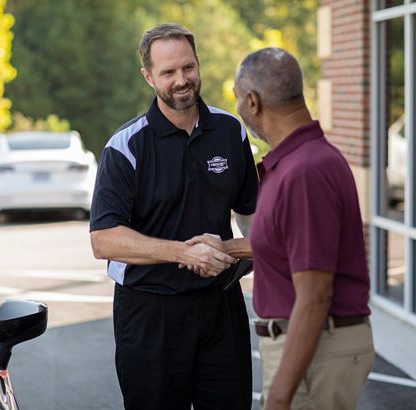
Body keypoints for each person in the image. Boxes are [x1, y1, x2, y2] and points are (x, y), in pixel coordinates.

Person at [189, 48, 374, 410]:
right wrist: (225, 248)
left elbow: (315, 294)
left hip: (315, 351)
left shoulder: (305, 173)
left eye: (239, 101)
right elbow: (288, 246)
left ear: (252, 101)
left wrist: (278, 397)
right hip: (312, 348)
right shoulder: (302, 161)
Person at [89, 23, 258, 410]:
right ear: (149, 76)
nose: (181, 80)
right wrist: (183, 253)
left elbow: (256, 222)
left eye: (188, 68)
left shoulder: (231, 132)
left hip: (221, 307)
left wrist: (234, 251)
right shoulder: (126, 146)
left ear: (199, 65)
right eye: (168, 72)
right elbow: (104, 240)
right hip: (150, 314)